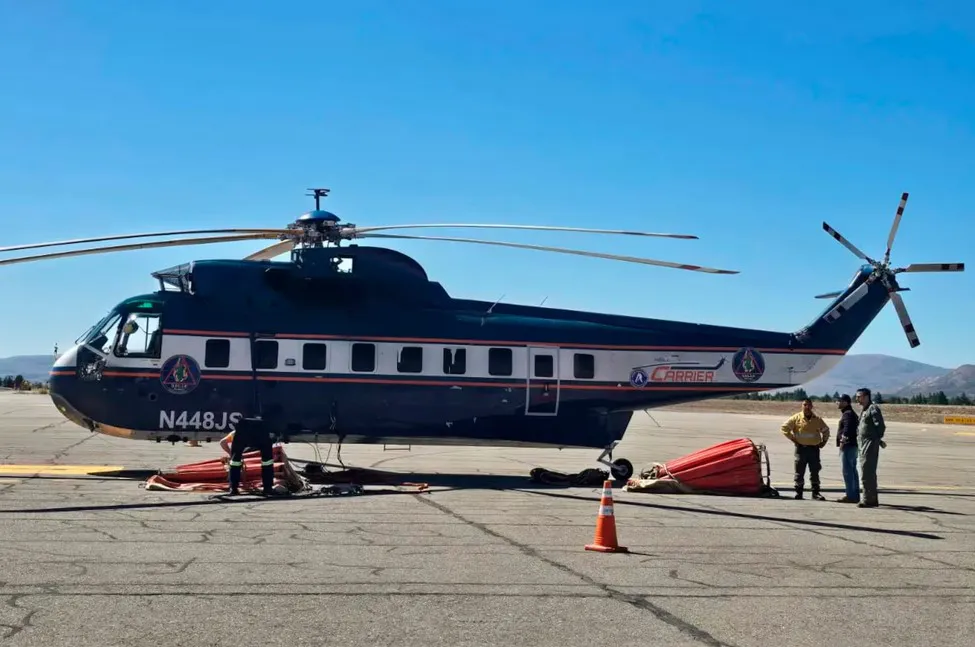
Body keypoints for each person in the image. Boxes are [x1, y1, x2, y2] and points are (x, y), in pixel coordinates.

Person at [781, 398, 831, 500]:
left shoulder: (817, 419)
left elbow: (826, 430)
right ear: (802, 406)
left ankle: (815, 493)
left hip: (814, 450)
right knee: (799, 472)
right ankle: (799, 492)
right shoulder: (796, 418)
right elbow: (784, 428)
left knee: (815, 471)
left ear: (812, 406)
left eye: (809, 405)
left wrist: (824, 442)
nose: (807, 407)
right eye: (805, 405)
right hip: (801, 449)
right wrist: (793, 439)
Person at [224, 417, 278, 497]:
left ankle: (233, 488)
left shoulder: (239, 427)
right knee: (267, 462)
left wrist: (232, 454)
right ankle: (267, 488)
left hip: (244, 431)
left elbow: (223, 442)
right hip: (262, 431)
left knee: (235, 462)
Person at [855, 387, 885, 508]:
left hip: (869, 443)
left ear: (866, 397)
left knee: (867, 471)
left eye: (859, 396)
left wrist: (875, 440)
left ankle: (868, 499)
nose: (857, 399)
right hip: (863, 444)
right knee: (865, 470)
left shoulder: (873, 408)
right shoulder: (864, 410)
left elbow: (880, 426)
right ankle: (871, 498)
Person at [834, 394, 860, 503]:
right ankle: (855, 495)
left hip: (848, 446)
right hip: (852, 445)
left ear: (846, 402)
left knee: (848, 471)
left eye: (839, 401)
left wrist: (842, 441)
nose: (837, 402)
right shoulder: (849, 413)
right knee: (853, 470)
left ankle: (850, 496)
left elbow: (847, 429)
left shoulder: (848, 414)